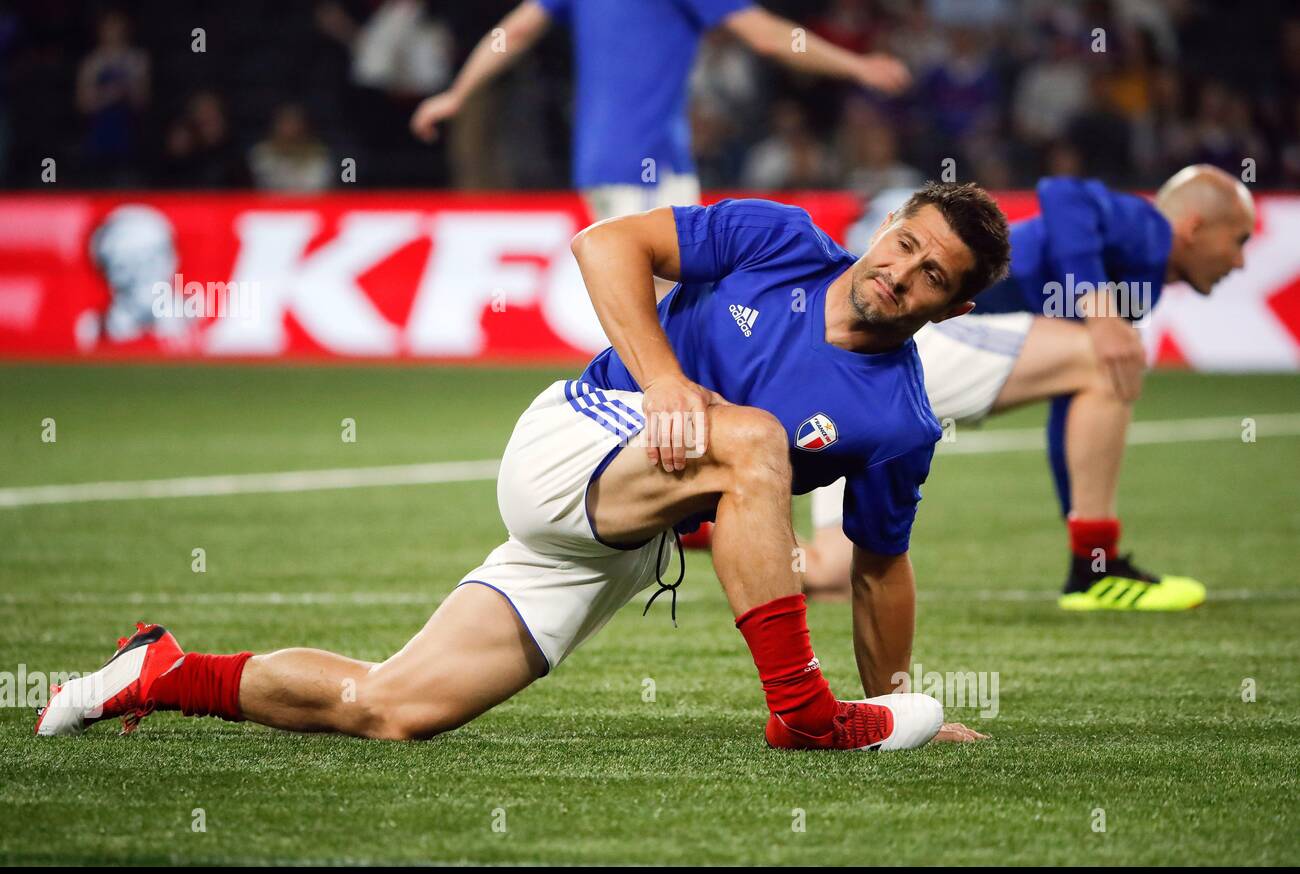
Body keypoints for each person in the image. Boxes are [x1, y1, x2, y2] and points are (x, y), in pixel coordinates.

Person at [36, 182, 1010, 750]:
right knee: (750, 433)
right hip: (578, 436)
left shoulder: (903, 419)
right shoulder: (779, 240)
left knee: (388, 706)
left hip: (632, 528)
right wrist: (665, 381)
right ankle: (799, 713)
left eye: (934, 275)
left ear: (951, 307)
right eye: (905, 241)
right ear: (887, 224)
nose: (902, 270)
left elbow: (880, 564)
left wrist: (893, 694)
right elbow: (604, 243)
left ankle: (158, 669)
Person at [796, 166, 1255, 610]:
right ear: (1194, 226)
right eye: (1238, 242)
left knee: (832, 573)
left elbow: (1074, 421)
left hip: (873, 373)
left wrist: (1080, 528)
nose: (1240, 261)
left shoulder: (1142, 279)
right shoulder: (1148, 230)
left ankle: (723, 515)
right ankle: (1096, 572)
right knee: (1107, 357)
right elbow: (1062, 194)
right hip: (923, 343)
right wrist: (1099, 308)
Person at [410, 0, 909, 293]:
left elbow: (513, 32)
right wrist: (857, 65)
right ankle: (657, 439)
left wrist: (458, 92)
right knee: (663, 308)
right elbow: (766, 36)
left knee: (664, 304)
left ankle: (663, 433)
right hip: (643, 165)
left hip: (612, 161)